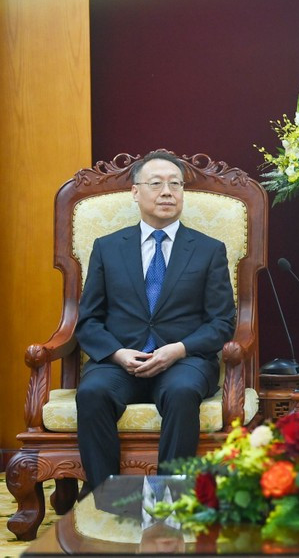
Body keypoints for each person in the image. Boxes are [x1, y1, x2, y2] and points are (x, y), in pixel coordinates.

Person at [75, 151, 236, 492]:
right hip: (120, 362)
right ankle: (105, 499)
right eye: (156, 183)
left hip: (184, 360)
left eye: (175, 184)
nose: (167, 192)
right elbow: (88, 320)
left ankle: (168, 499)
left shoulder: (209, 250)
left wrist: (177, 350)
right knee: (92, 392)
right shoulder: (107, 247)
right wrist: (118, 354)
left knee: (181, 392)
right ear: (135, 192)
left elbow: (222, 322)